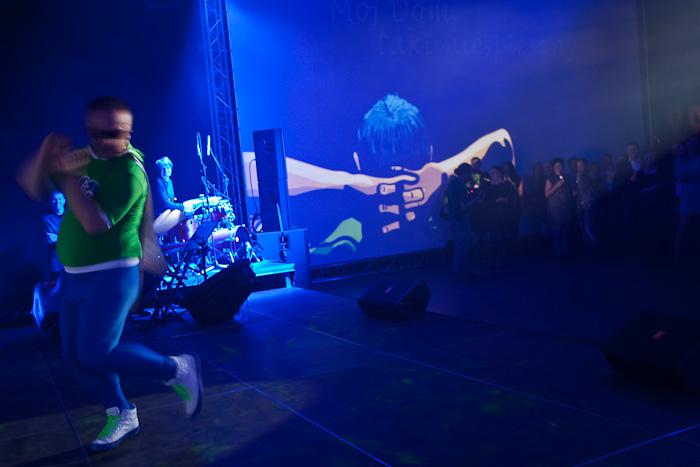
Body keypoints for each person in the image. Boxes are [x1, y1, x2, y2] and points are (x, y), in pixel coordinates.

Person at [17, 97, 203, 452]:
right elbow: (31, 185)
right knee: (75, 357)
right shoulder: (85, 159)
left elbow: (95, 223)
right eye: (94, 133)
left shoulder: (130, 172)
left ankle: (176, 369)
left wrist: (68, 174)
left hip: (114, 276)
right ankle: (122, 412)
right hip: (74, 277)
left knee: (96, 351)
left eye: (112, 134)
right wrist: (45, 157)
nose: (101, 141)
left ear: (128, 133)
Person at [446, 163, 476, 275]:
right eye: (470, 173)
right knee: (463, 247)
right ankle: (462, 272)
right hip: (461, 219)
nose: (471, 176)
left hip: (456, 219)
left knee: (459, 246)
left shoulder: (452, 184)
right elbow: (464, 207)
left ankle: (458, 272)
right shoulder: (460, 186)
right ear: (466, 173)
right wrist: (477, 199)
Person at [545, 158, 575, 257]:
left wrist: (573, 193)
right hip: (556, 208)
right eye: (557, 166)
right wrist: (556, 186)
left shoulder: (566, 177)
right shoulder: (550, 179)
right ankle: (558, 252)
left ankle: (565, 251)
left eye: (560, 165)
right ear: (553, 167)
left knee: (565, 229)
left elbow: (569, 191)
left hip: (565, 207)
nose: (559, 167)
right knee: (557, 229)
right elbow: (547, 194)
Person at [43, 191, 65, 280]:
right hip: (56, 262)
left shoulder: (72, 216)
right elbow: (49, 240)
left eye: (60, 199)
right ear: (50, 202)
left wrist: (58, 237)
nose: (57, 203)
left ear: (64, 200)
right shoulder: (46, 220)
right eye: (54, 200)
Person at [573, 159, 596, 247]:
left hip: (587, 206)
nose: (579, 167)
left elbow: (591, 191)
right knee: (582, 228)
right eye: (578, 166)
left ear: (585, 166)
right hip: (579, 206)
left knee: (588, 228)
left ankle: (595, 246)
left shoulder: (588, 177)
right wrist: (574, 192)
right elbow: (574, 191)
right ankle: (587, 247)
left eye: (581, 165)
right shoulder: (575, 177)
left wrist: (587, 200)